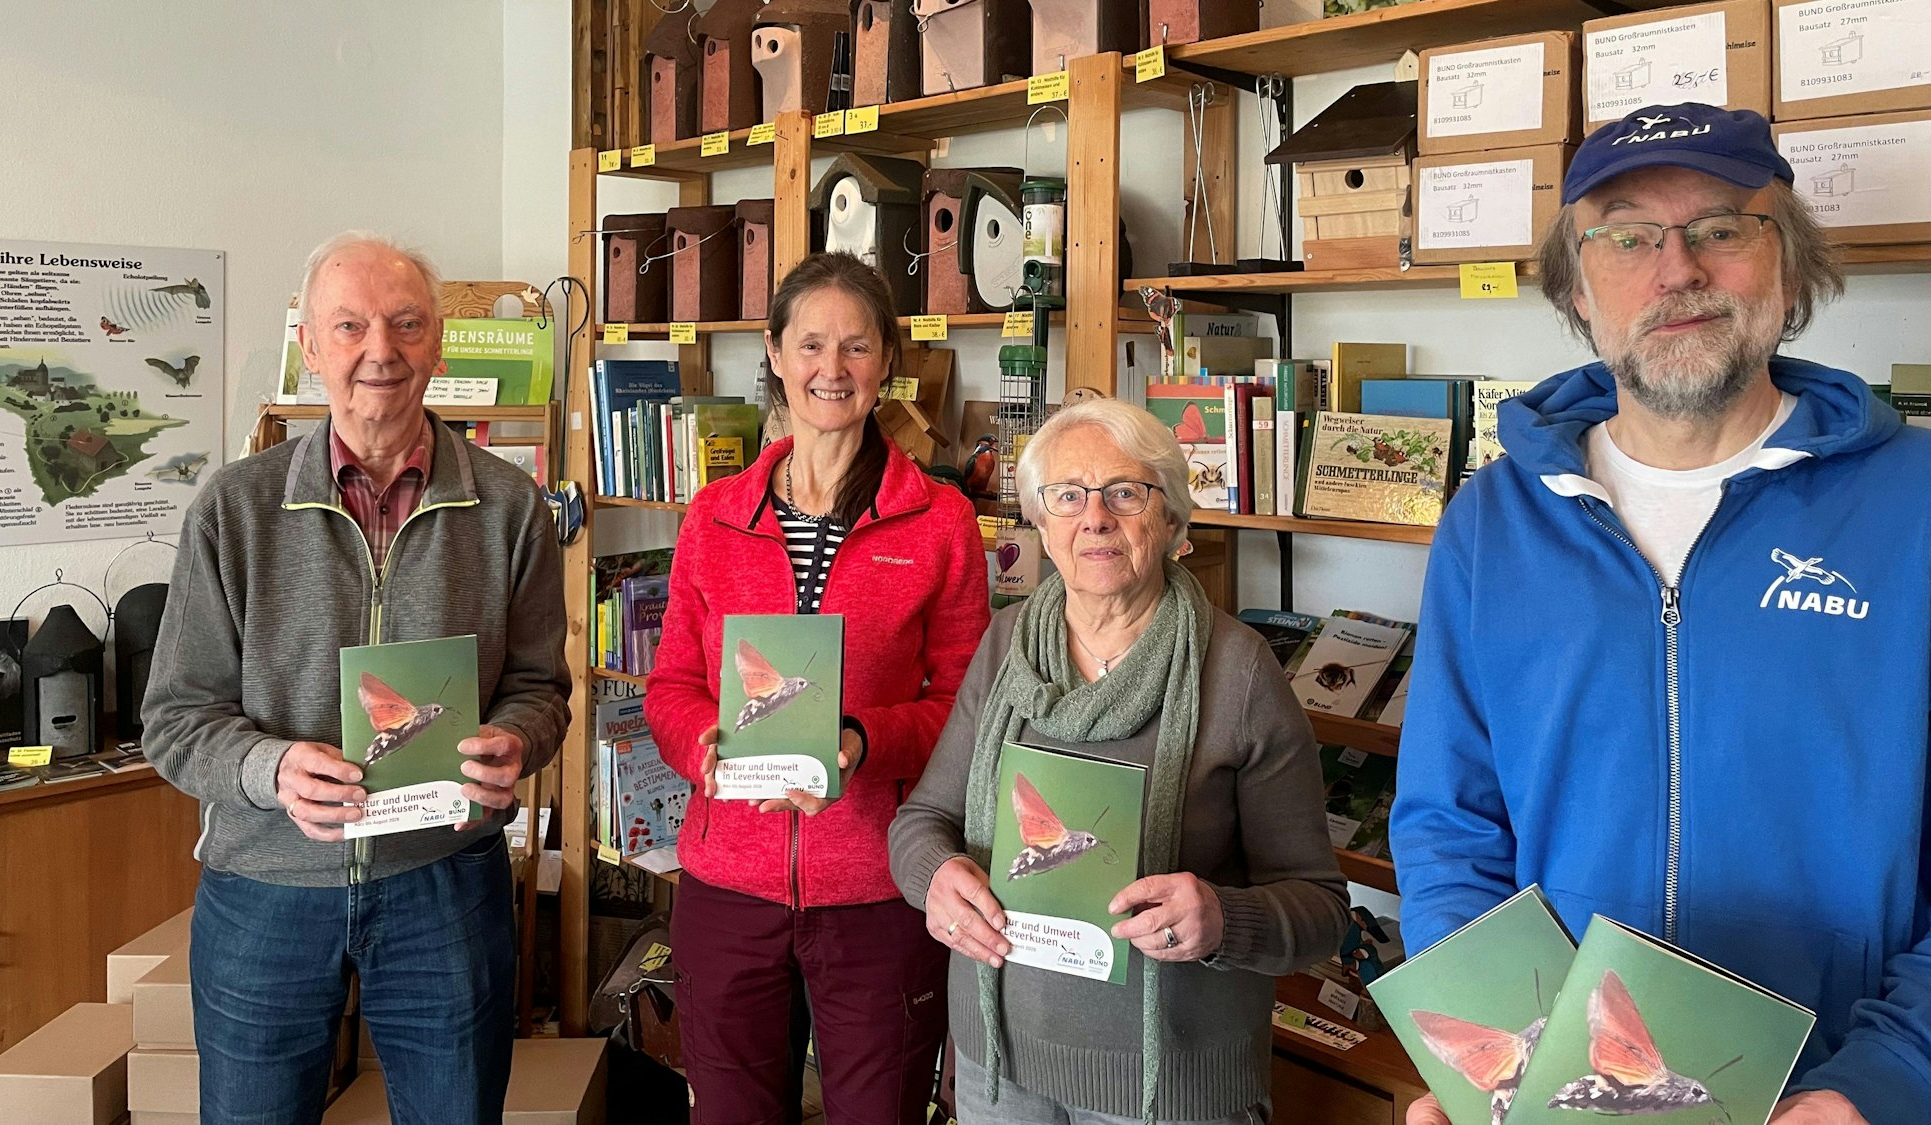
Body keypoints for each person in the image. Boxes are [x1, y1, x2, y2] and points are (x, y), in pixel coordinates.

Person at [1392, 103, 1931, 1125]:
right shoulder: (1490, 523)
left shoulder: (1916, 507)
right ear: (1578, 290)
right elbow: (1449, 827)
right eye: (1626, 235)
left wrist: (1883, 1080)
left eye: (1721, 227)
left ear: (1787, 268)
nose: (1674, 268)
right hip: (1571, 1100)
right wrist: (1490, 1064)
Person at [142, 233, 571, 1125]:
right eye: (351, 327)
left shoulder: (511, 507)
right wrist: (272, 770)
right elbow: (177, 721)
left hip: (445, 885)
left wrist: (517, 739)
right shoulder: (235, 506)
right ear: (312, 348)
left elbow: (541, 687)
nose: (382, 350)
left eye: (407, 324)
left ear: (438, 344)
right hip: (267, 890)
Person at [888, 399, 1351, 1125]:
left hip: (1170, 1092)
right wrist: (934, 879)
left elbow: (1322, 908)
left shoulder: (1238, 670)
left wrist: (1224, 920)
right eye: (1068, 495)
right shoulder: (1006, 645)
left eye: (1125, 493)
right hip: (999, 1069)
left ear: (1169, 521)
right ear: (1042, 522)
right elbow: (922, 820)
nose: (1095, 516)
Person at [643, 251, 990, 1124]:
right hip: (729, 887)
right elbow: (674, 683)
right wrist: (703, 747)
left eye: (856, 347)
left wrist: (863, 737)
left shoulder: (940, 521)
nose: (831, 370)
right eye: (809, 345)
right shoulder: (714, 517)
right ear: (773, 352)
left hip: (879, 887)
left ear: (887, 362)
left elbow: (967, 704)